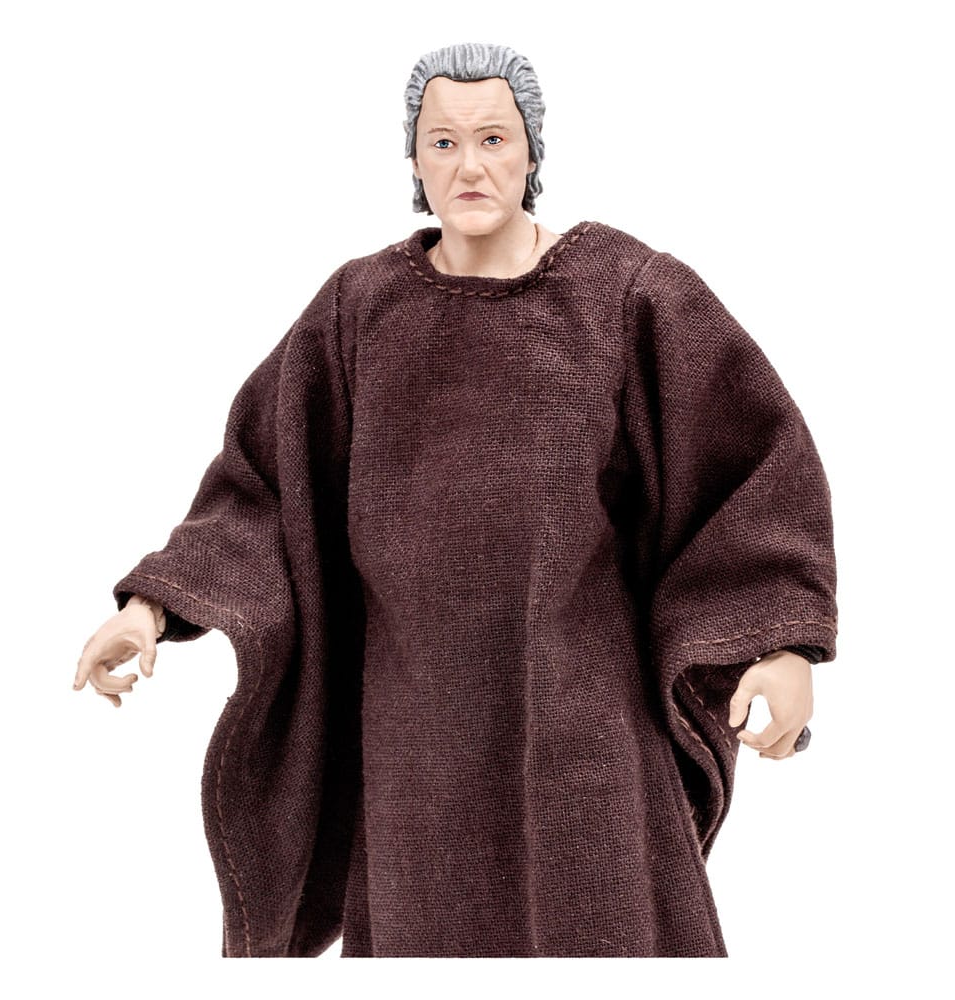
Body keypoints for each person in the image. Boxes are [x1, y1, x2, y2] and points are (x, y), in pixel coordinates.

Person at [74, 42, 837, 957]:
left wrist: (780, 644)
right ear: (413, 157)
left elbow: (749, 465)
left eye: (493, 138)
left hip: (582, 741)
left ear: (532, 149)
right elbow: (265, 488)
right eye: (442, 142)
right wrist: (154, 609)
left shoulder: (624, 295)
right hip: (418, 755)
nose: (469, 165)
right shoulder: (359, 313)